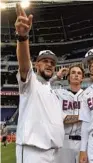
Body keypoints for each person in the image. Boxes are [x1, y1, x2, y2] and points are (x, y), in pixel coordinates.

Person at [15, 4, 65, 163]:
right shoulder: (30, 83)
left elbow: (47, 81)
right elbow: (24, 66)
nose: (49, 64)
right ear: (36, 65)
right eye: (44, 61)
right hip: (32, 152)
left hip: (54, 152)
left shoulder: (51, 90)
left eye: (52, 62)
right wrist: (23, 37)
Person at [54, 65, 85, 163]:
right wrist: (56, 76)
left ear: (82, 78)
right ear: (68, 77)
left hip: (83, 143)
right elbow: (42, 88)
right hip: (64, 142)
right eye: (73, 72)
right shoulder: (59, 93)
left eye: (79, 73)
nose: (76, 75)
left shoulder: (88, 95)